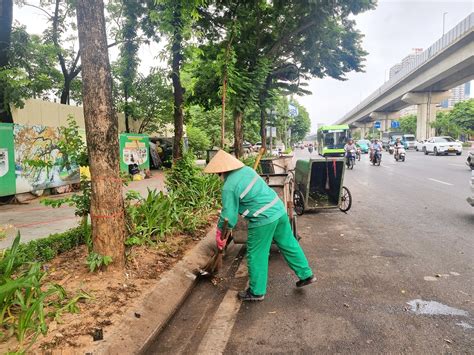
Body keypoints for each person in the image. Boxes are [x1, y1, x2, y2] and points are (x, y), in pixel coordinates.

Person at [204, 150, 315, 302]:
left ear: (221, 171)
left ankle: (256, 292)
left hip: (263, 218)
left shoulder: (229, 186)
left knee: (257, 254)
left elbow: (228, 216)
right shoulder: (247, 170)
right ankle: (306, 274)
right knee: (289, 244)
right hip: (278, 209)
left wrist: (219, 233)